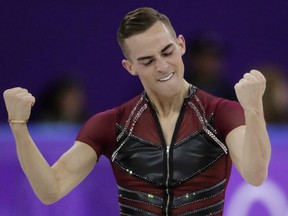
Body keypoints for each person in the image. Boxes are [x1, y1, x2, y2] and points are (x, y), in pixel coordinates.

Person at [3, 7, 271, 216]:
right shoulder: (112, 124)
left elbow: (255, 174)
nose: (163, 66)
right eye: (148, 61)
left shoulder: (220, 113)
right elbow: (51, 189)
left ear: (181, 45)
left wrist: (254, 109)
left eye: (167, 52)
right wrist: (18, 127)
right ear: (129, 67)